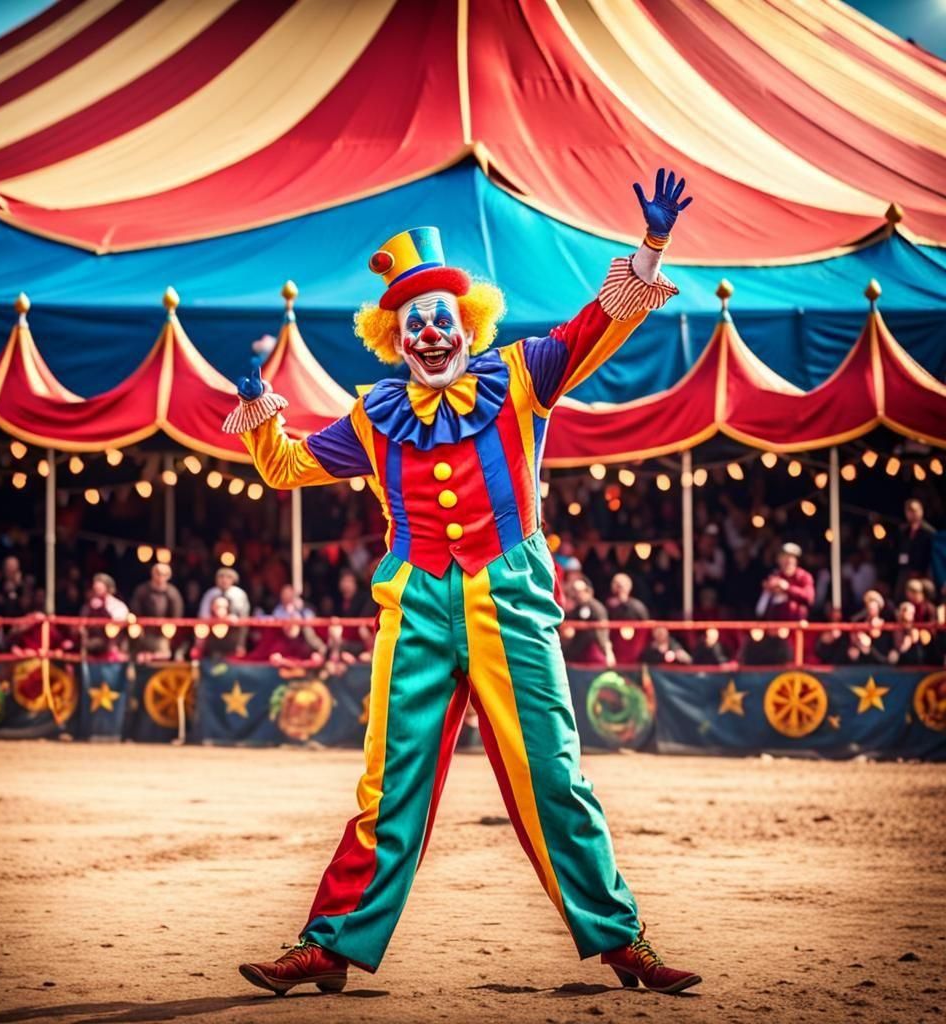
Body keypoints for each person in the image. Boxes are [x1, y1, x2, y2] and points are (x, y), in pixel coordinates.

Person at [226, 170, 700, 994]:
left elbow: (597, 325)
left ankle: (622, 939)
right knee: (389, 783)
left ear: (468, 323)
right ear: (395, 336)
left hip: (510, 603)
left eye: (442, 315)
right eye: (414, 321)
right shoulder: (376, 415)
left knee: (553, 772)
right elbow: (292, 467)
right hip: (413, 609)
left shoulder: (521, 376)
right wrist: (265, 413)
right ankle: (328, 944)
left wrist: (650, 247)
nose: (431, 331)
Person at [129, 562, 185, 661]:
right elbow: (135, 610)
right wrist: (139, 626)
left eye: (164, 574)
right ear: (152, 573)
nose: (160, 577)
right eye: (157, 573)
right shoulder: (142, 590)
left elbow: (177, 614)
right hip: (143, 632)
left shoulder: (173, 593)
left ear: (168, 576)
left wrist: (168, 627)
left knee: (163, 651)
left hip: (163, 634)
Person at [561, 575, 614, 666]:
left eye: (580, 591)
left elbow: (603, 631)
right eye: (575, 591)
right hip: (578, 652)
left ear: (587, 591)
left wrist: (608, 652)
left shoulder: (596, 608)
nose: (577, 594)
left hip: (594, 652)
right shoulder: (576, 608)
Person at [79, 573, 129, 660]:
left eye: (100, 588)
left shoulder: (117, 605)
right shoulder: (88, 605)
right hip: (91, 647)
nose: (97, 591)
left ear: (108, 587)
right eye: (96, 588)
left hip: (112, 648)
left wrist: (103, 609)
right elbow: (82, 623)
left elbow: (117, 627)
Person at [606, 572, 649, 664]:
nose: (619, 588)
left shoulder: (637, 607)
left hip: (634, 652)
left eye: (622, 585)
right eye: (616, 584)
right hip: (614, 649)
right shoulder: (608, 606)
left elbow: (646, 628)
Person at [895, 498, 934, 596]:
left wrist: (921, 571)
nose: (912, 513)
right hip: (905, 570)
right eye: (908, 510)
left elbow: (931, 556)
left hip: (922, 573)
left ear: (921, 511)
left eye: (914, 510)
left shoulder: (929, 532)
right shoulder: (903, 531)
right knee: (900, 595)